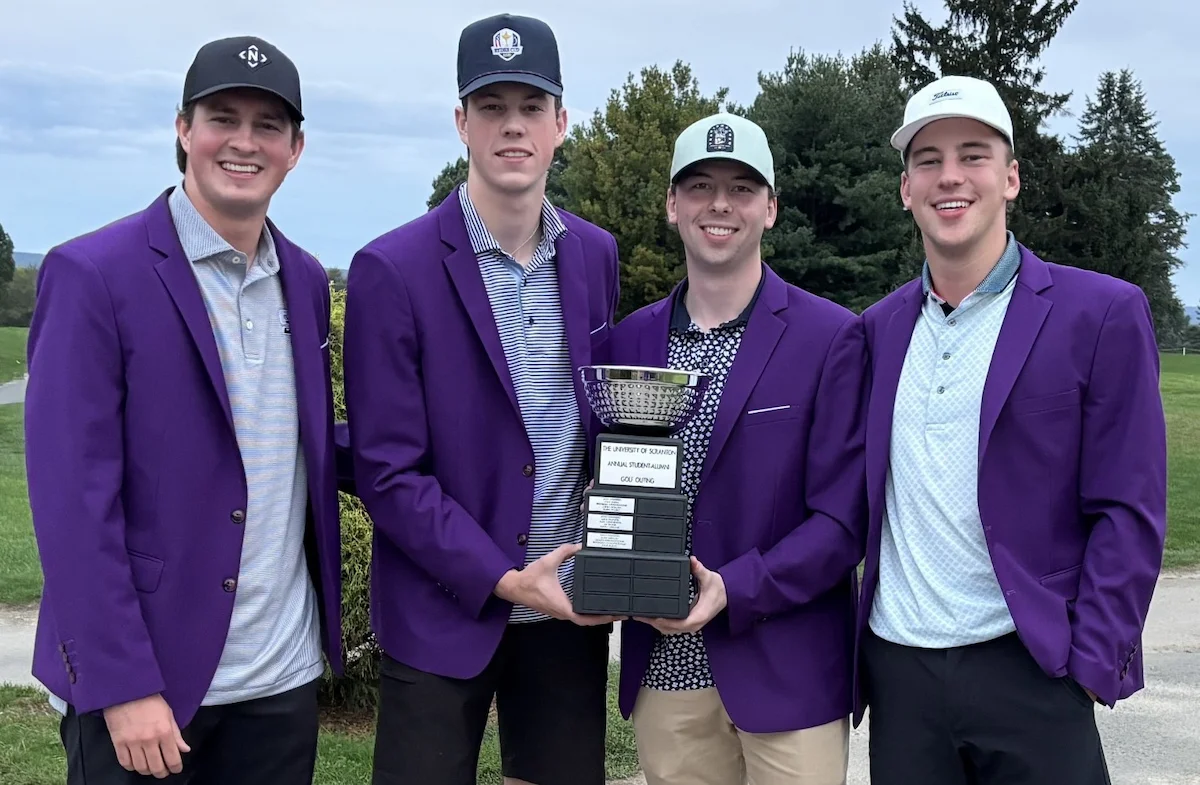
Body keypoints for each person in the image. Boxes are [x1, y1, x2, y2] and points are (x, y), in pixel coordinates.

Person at [25, 35, 345, 785]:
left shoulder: (302, 279)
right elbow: (72, 500)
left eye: (268, 124)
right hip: (150, 690)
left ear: (296, 148)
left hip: (280, 682)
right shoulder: (93, 275)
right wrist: (122, 683)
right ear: (182, 130)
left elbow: (306, 447)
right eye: (221, 117)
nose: (244, 140)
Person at [853, 74, 1168, 785]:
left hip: (1031, 668)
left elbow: (1131, 506)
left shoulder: (1102, 314)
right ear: (906, 188)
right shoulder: (875, 332)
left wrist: (1089, 662)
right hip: (902, 675)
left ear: (1012, 177)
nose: (950, 176)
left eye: (973, 154)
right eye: (928, 160)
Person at [341, 13, 622, 785]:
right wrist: (502, 574)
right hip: (442, 609)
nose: (512, 126)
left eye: (530, 107)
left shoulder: (595, 255)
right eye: (491, 107)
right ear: (461, 122)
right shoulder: (390, 269)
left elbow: (597, 425)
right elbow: (388, 472)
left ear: (560, 123)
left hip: (565, 613)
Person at [604, 112, 869, 785]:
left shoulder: (831, 337)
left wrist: (735, 587)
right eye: (699, 185)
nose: (719, 204)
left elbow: (843, 523)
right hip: (668, 668)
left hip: (789, 674)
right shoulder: (628, 344)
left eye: (742, 187)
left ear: (771, 208)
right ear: (672, 204)